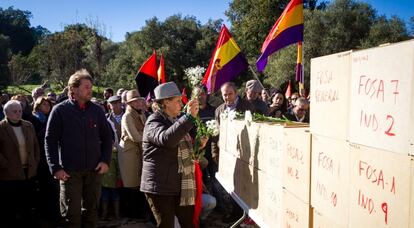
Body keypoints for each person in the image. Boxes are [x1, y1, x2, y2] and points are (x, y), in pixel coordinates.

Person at [45, 69, 113, 228]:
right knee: (71, 215)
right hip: (69, 172)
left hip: (94, 170)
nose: (90, 90)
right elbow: (50, 140)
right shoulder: (60, 110)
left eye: (91, 87)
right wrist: (55, 168)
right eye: (86, 87)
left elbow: (107, 137)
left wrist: (105, 160)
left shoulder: (96, 110)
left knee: (91, 212)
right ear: (73, 89)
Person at [140, 82, 205, 228]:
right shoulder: (153, 121)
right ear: (166, 102)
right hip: (160, 187)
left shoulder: (175, 120)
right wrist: (188, 117)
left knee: (188, 223)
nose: (181, 104)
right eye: (177, 101)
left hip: (179, 185)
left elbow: (182, 151)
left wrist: (198, 145)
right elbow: (167, 140)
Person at [0, 100, 40, 227]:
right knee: (10, 206)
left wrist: (35, 160)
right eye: (15, 111)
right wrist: (5, 164)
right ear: (6, 112)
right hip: (9, 174)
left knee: (27, 204)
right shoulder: (1, 128)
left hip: (28, 172)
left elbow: (35, 146)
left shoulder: (28, 125)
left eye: (20, 111)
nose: (18, 114)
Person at [30, 97, 62, 226]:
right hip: (39, 158)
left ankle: (55, 216)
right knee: (43, 188)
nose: (47, 106)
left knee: (54, 189)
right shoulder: (33, 120)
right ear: (38, 106)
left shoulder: (52, 118)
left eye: (48, 104)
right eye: (44, 104)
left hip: (52, 157)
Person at [119, 90, 148, 219]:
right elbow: (135, 137)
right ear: (129, 103)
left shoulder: (140, 114)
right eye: (134, 101)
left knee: (138, 183)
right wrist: (149, 137)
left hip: (138, 152)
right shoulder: (127, 117)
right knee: (130, 183)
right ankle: (129, 213)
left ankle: (136, 212)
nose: (137, 103)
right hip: (129, 153)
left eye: (138, 100)